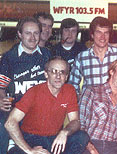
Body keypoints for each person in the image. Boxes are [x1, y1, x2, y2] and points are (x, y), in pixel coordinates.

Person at [5, 56, 89, 154]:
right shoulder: (34, 92)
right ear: (46, 74)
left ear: (66, 77)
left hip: (54, 138)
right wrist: (29, 150)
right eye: (54, 71)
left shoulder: (69, 91)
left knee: (82, 136)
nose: (58, 76)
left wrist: (64, 132)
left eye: (62, 72)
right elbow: (10, 123)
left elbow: (75, 121)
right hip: (31, 139)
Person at [0, 16, 51, 154]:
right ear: (19, 34)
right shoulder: (9, 58)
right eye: (28, 33)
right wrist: (1, 99)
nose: (32, 37)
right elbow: (1, 87)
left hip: (41, 115)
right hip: (16, 114)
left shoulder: (47, 55)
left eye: (36, 33)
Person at [80, 57, 117, 154]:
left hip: (113, 147)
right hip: (90, 144)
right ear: (112, 72)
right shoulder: (92, 91)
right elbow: (80, 124)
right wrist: (90, 147)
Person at [68, 16, 117, 97]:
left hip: (113, 107)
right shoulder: (82, 57)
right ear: (92, 35)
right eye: (99, 32)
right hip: (89, 107)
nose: (102, 37)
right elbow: (73, 85)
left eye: (106, 33)